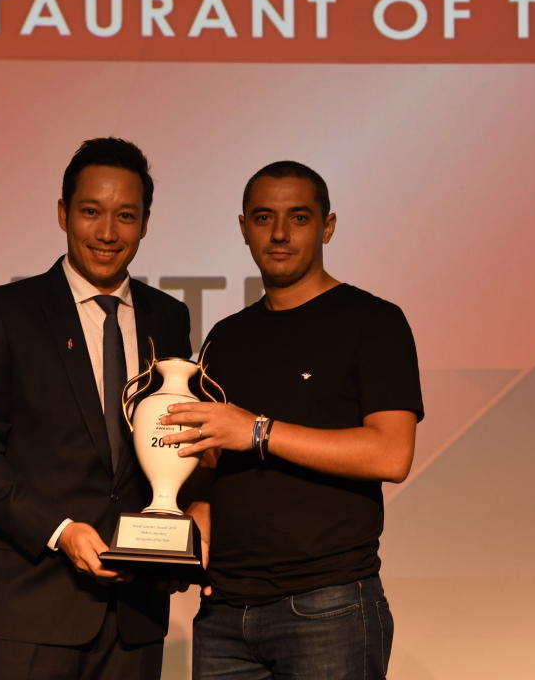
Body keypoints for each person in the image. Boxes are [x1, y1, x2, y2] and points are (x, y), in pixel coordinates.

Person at [0, 137, 191, 679]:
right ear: (63, 214)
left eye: (125, 216)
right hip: (26, 610)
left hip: (135, 618)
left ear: (145, 223)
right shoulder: (4, 312)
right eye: (90, 212)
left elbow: (174, 445)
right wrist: (58, 529)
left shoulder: (168, 318)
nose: (107, 233)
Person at [161, 161, 424, 679]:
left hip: (328, 605)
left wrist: (258, 431)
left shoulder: (373, 322)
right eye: (263, 218)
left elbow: (392, 454)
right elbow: (214, 452)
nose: (279, 233)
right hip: (224, 611)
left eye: (298, 218)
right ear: (243, 228)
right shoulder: (226, 335)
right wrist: (200, 501)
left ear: (327, 226)